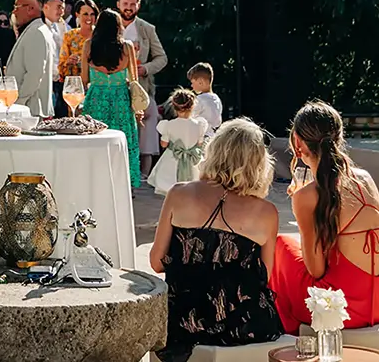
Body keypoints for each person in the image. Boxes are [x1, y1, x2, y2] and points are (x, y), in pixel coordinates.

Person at [149, 118, 282, 362]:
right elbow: (265, 277)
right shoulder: (267, 212)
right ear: (258, 163)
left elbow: (157, 262)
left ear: (214, 151)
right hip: (242, 325)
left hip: (182, 322)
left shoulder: (178, 193)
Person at [271, 101, 379, 332]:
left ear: (298, 143)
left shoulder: (307, 196)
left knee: (281, 244)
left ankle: (284, 330)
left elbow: (316, 270)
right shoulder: (364, 178)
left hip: (340, 309)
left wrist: (301, 212)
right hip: (376, 301)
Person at [80, 9, 143, 187]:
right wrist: (137, 108)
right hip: (120, 99)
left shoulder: (88, 46)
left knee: (94, 139)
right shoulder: (127, 47)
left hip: (96, 99)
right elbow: (134, 80)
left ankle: (95, 181)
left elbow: (84, 80)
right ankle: (123, 183)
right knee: (122, 140)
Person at [118, 0, 168, 178]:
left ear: (138, 6)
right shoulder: (108, 25)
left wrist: (145, 68)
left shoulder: (147, 29)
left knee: (147, 126)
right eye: (125, 4)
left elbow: (162, 58)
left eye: (132, 4)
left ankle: (144, 173)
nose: (128, 7)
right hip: (116, 85)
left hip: (141, 86)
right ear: (118, 5)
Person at [148, 88, 209, 195]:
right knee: (194, 183)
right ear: (193, 106)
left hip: (173, 158)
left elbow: (164, 144)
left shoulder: (168, 125)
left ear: (174, 107)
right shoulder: (199, 125)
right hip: (192, 159)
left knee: (169, 185)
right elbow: (199, 144)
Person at [3, 0, 54, 117]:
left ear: (30, 9)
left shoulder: (36, 32)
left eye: (16, 7)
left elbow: (35, 74)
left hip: (30, 109)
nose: (14, 12)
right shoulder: (37, 29)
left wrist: (19, 102)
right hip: (30, 108)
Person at [41, 0, 70, 117]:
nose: (61, 11)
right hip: (45, 80)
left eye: (63, 8)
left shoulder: (60, 27)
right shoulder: (38, 27)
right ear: (45, 7)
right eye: (58, 7)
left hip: (59, 80)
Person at [58, 0, 95, 90]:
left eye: (92, 14)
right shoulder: (70, 36)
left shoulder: (101, 35)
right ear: (77, 14)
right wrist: (68, 62)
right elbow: (61, 68)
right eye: (85, 14)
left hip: (96, 86)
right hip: (75, 88)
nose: (89, 18)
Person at [189, 62, 223, 130]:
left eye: (192, 82)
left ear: (200, 82)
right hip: (212, 135)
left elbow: (190, 117)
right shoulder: (217, 99)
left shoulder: (199, 100)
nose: (191, 86)